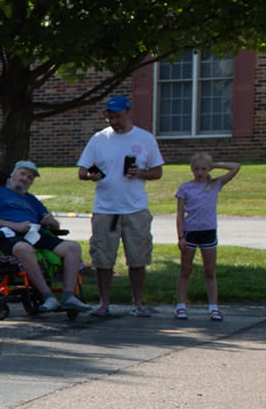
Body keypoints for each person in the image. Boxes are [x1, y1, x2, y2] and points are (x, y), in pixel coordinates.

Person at [76, 94, 164, 318]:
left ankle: (138, 303)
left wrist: (140, 173)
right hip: (106, 209)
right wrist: (91, 176)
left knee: (138, 257)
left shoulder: (145, 139)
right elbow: (81, 171)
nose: (114, 121)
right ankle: (104, 303)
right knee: (103, 258)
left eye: (117, 116)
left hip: (135, 208)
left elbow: (157, 171)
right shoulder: (98, 139)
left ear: (127, 113)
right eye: (110, 117)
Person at [0, 160, 92, 312]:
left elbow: (54, 225)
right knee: (24, 248)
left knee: (72, 247)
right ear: (13, 174)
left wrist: (52, 222)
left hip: (35, 233)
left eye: (30, 177)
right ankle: (48, 296)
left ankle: (69, 296)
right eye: (23, 174)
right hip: (6, 235)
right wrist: (15, 226)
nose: (25, 179)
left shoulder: (32, 200)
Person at [174, 153, 242, 321]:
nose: (200, 172)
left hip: (208, 231)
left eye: (204, 168)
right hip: (191, 232)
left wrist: (215, 164)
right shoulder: (185, 188)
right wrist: (181, 236)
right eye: (196, 169)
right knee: (185, 269)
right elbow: (180, 214)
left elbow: (236, 167)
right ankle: (181, 306)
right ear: (191, 170)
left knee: (209, 270)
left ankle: (213, 307)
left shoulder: (215, 184)